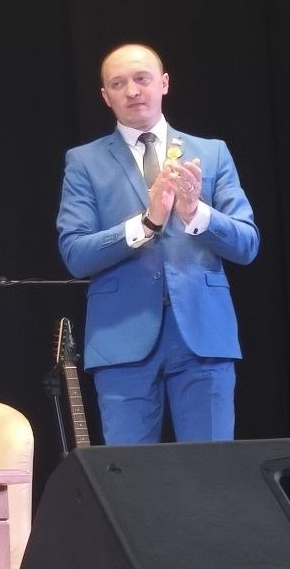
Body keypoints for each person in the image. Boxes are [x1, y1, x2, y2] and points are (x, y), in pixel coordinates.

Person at [56, 43, 258, 444]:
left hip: (203, 336)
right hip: (121, 338)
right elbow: (76, 255)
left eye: (142, 79)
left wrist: (195, 212)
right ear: (105, 96)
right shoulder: (84, 162)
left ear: (164, 83)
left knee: (210, 471)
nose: (132, 90)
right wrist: (146, 223)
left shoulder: (212, 153)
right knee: (131, 477)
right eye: (118, 84)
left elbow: (247, 244)